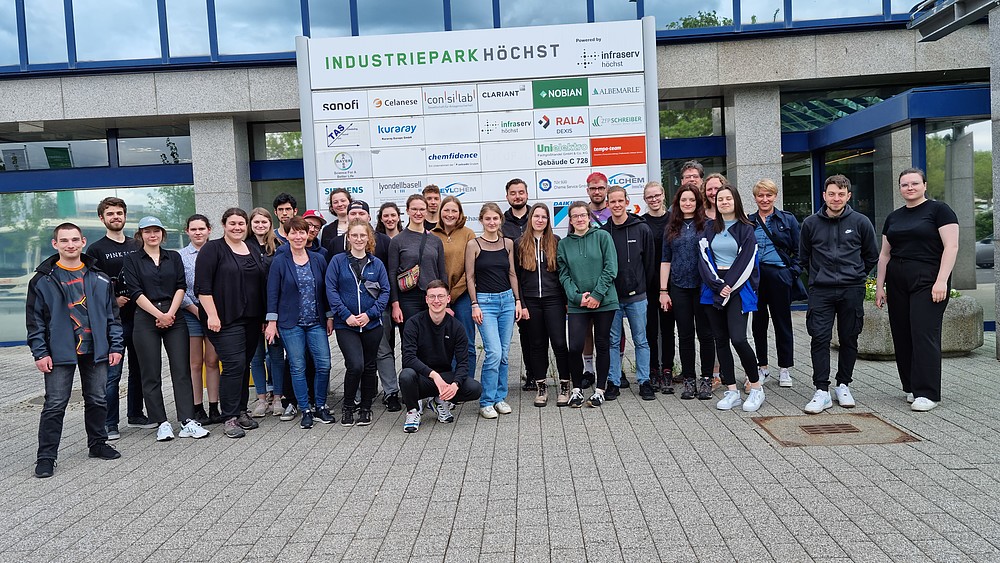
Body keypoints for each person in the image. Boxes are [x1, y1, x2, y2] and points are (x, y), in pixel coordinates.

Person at [27, 223, 124, 478]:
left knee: (98, 399)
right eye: (64, 240)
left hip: (97, 350)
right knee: (55, 404)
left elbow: (112, 317)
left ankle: (98, 444)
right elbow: (35, 321)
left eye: (74, 240)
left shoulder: (100, 277)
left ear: (83, 241)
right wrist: (40, 352)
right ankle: (46, 457)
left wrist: (116, 346)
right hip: (59, 352)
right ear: (55, 244)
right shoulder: (42, 280)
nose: (70, 245)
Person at [875, 168, 959, 412]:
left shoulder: (939, 210)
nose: (909, 188)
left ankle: (928, 392)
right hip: (897, 279)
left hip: (928, 279)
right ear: (900, 188)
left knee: (924, 333)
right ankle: (911, 386)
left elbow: (951, 247)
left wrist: (941, 280)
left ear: (924, 185)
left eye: (914, 183)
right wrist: (880, 286)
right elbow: (885, 254)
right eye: (904, 184)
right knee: (902, 333)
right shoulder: (894, 217)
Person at [122, 217, 209, 441]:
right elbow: (135, 292)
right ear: (140, 234)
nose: (153, 235)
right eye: (147, 231)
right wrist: (159, 315)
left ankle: (187, 420)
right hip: (145, 316)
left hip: (174, 314)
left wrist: (169, 313)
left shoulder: (174, 256)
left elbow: (181, 286)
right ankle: (161, 422)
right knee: (150, 372)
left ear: (163, 233)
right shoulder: (132, 259)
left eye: (157, 231)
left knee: (182, 370)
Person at [799, 175, 878, 414]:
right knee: (819, 338)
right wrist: (818, 277)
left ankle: (843, 385)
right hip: (821, 291)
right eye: (832, 194)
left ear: (848, 196)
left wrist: (856, 275)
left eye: (841, 194)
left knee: (849, 338)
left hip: (851, 289)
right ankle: (821, 390)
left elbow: (871, 256)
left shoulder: (861, 222)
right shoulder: (810, 223)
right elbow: (803, 257)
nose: (836, 198)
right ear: (824, 195)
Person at [195, 208, 267, 438]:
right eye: (233, 223)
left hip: (252, 319)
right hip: (224, 319)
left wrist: (264, 318)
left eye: (241, 224)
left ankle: (241, 410)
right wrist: (212, 315)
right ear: (224, 225)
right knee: (234, 365)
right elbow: (202, 287)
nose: (237, 227)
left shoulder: (251, 248)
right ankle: (229, 417)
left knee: (243, 365)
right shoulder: (212, 249)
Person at [86, 196, 149, 439]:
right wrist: (114, 299)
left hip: (140, 318)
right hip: (112, 322)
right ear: (102, 218)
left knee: (139, 369)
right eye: (110, 214)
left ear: (125, 216)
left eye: (119, 213)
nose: (116, 217)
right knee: (112, 374)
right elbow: (92, 286)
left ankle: (136, 414)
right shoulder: (96, 249)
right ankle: (109, 423)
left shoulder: (137, 244)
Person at [697, 182, 763, 412]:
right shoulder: (709, 228)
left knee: (738, 338)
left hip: (738, 288)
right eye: (720, 199)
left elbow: (747, 261)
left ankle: (756, 387)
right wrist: (717, 285)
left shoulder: (747, 229)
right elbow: (703, 258)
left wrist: (728, 285)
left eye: (728, 198)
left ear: (736, 201)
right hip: (713, 288)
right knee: (720, 340)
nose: (724, 202)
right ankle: (732, 391)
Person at [265, 216, 334, 429]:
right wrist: (271, 322)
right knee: (297, 366)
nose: (298, 236)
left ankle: (320, 405)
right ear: (286, 235)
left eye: (301, 232)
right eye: (293, 232)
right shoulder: (280, 261)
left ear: (307, 234)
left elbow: (325, 291)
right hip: (290, 323)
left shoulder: (318, 259)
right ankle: (305, 409)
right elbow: (272, 293)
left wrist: (329, 316)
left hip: (316, 321)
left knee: (324, 364)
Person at [327, 219, 390, 426]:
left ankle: (365, 407)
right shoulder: (337, 261)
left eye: (363, 235)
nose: (359, 239)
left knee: (370, 366)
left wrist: (370, 314)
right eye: (354, 235)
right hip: (346, 324)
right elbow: (331, 290)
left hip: (371, 324)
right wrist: (346, 315)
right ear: (348, 237)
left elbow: (385, 291)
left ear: (368, 237)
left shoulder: (376, 263)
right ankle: (348, 406)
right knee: (355, 365)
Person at [399, 280, 483, 433]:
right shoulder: (414, 323)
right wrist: (434, 375)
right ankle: (412, 411)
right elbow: (408, 358)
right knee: (406, 376)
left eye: (440, 296)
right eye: (432, 297)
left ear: (448, 299)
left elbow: (463, 363)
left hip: (445, 377)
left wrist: (455, 384)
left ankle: (440, 400)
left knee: (474, 388)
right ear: (426, 299)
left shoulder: (456, 327)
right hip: (422, 378)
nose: (436, 301)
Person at [558, 201, 619, 408]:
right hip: (578, 303)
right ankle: (576, 390)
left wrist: (597, 295)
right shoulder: (564, 244)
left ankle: (600, 390)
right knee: (575, 346)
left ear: (589, 217)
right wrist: (577, 297)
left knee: (602, 344)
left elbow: (611, 267)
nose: (580, 219)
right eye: (575, 216)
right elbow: (563, 275)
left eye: (583, 215)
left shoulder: (603, 236)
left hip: (604, 300)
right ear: (570, 219)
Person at [466, 202, 522, 419]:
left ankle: (500, 398)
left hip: (506, 301)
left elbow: (512, 273)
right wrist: (474, 304)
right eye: (487, 218)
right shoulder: (474, 245)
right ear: (481, 220)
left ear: (500, 220)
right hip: (485, 303)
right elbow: (470, 277)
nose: (491, 222)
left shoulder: (508, 243)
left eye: (495, 218)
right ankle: (486, 401)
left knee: (504, 354)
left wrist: (517, 300)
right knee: (494, 353)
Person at [660, 185, 716, 400]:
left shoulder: (709, 225)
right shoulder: (671, 227)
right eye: (684, 200)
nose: (688, 203)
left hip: (703, 288)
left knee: (706, 334)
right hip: (679, 287)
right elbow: (665, 260)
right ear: (678, 202)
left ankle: (706, 379)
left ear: (698, 202)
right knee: (685, 335)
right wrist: (663, 291)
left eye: (692, 200)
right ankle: (689, 380)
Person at [602, 186, 657, 401]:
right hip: (612, 298)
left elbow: (649, 263)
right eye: (612, 201)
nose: (616, 205)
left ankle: (644, 381)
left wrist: (642, 286)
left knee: (641, 340)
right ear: (607, 204)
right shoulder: (603, 232)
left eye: (620, 201)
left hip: (637, 297)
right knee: (613, 341)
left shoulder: (641, 229)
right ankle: (613, 382)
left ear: (627, 202)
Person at [345, 200, 400, 411]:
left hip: (378, 308)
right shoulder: (337, 245)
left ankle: (390, 392)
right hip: (349, 313)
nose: (357, 216)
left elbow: (389, 277)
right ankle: (358, 394)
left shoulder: (384, 241)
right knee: (356, 356)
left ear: (369, 217)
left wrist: (387, 305)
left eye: (361, 212)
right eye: (353, 213)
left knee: (382, 350)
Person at [515, 203, 570, 407]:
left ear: (548, 221)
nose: (540, 220)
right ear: (530, 219)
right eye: (536, 216)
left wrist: (566, 301)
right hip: (531, 301)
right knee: (537, 345)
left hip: (553, 299)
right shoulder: (520, 243)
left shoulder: (556, 241)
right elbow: (516, 276)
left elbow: (563, 273)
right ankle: (541, 387)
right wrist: (521, 303)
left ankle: (564, 385)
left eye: (544, 217)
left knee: (559, 343)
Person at [748, 179, 801, 389]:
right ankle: (762, 367)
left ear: (775, 196)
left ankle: (785, 368)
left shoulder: (787, 219)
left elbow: (800, 250)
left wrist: (792, 273)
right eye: (760, 195)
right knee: (758, 324)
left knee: (782, 323)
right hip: (755, 277)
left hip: (780, 275)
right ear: (755, 198)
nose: (764, 199)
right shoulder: (748, 221)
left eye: (768, 195)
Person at [178, 214, 221, 424]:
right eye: (193, 229)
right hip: (191, 313)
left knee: (212, 361)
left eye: (201, 229)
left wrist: (211, 311)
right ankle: (197, 407)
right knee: (195, 363)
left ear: (209, 230)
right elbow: (179, 286)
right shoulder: (180, 256)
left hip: (214, 313)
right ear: (187, 231)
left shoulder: (217, 252)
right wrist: (195, 310)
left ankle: (214, 406)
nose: (198, 233)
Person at [431, 196, 478, 379]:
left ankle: (466, 383)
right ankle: (448, 384)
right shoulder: (431, 235)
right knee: (444, 344)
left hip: (463, 295)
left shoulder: (468, 234)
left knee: (467, 342)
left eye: (454, 211)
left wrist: (453, 294)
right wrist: (442, 297)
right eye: (446, 210)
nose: (450, 214)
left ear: (460, 213)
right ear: (440, 212)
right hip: (439, 298)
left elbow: (472, 269)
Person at [247, 208, 285, 417]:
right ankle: (261, 398)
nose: (260, 225)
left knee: (276, 355)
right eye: (256, 222)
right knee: (256, 357)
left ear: (270, 224)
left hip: (274, 311)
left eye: (264, 222)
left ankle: (277, 396)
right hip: (252, 311)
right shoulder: (244, 245)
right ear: (251, 224)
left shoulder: (279, 246)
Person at [387, 194, 447, 324]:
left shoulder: (436, 241)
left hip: (433, 296)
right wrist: (395, 304)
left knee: (433, 333)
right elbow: (392, 273)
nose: (418, 213)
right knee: (410, 333)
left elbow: (442, 272)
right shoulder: (397, 241)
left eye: (422, 209)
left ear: (426, 211)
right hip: (408, 298)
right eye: (414, 209)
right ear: (407, 211)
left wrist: (446, 302)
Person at [642, 181, 676, 393]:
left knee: (668, 328)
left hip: (671, 284)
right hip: (648, 284)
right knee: (650, 330)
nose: (654, 199)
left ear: (663, 195)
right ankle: (653, 369)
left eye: (657, 195)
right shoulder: (641, 222)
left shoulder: (674, 220)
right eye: (649, 197)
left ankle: (667, 369)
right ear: (645, 200)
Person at [501, 178, 534, 391]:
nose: (517, 196)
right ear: (507, 196)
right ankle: (530, 374)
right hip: (512, 286)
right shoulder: (501, 223)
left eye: (521, 192)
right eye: (513, 193)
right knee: (525, 333)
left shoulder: (537, 217)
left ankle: (538, 373)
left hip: (536, 284)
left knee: (538, 334)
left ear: (527, 194)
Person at [320, 188, 353, 254]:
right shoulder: (327, 230)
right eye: (335, 202)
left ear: (350, 202)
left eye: (343, 201)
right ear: (332, 206)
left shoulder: (361, 225)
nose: (340, 204)